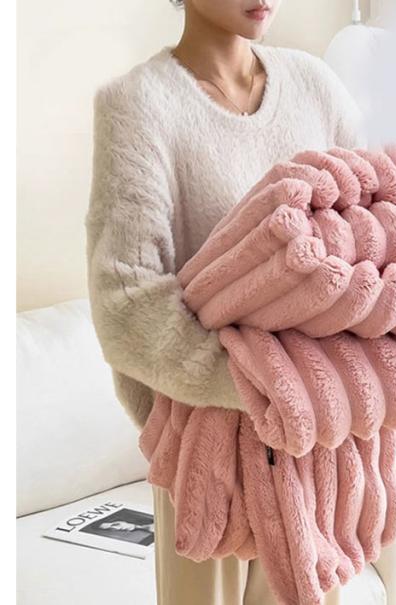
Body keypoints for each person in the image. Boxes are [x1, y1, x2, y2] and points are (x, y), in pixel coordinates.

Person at [84, 0, 368, 603]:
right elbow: (126, 303)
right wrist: (270, 386)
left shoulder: (315, 86)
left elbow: (372, 234)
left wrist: (322, 391)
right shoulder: (138, 104)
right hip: (202, 449)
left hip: (314, 451)